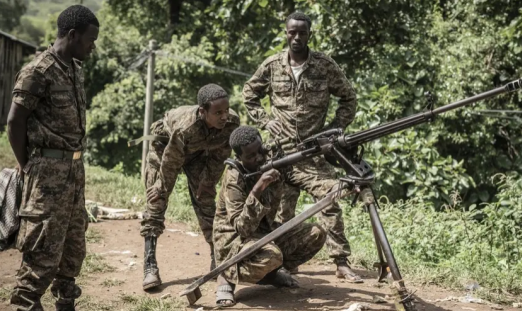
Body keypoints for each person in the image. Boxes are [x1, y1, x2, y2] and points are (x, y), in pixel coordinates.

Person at [242, 12, 362, 283]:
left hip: (312, 154)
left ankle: (341, 262)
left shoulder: (323, 65)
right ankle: (285, 264)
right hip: (280, 154)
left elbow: (349, 98)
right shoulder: (272, 65)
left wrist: (333, 131)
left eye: (302, 33)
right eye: (291, 32)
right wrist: (265, 120)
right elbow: (249, 93)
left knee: (330, 198)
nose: (296, 37)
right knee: (281, 215)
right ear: (286, 33)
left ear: (310, 34)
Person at [6, 5, 99, 310]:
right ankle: (26, 302)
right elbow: (14, 121)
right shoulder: (38, 71)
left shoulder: (73, 68)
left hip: (74, 172)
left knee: (73, 248)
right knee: (42, 250)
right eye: (89, 39)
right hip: (46, 175)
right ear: (72, 35)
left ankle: (66, 302)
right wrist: (26, 164)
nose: (92, 46)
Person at [212, 125, 327, 307]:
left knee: (316, 233)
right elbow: (243, 228)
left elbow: (300, 178)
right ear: (239, 158)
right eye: (251, 156)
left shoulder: (270, 162)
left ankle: (270, 275)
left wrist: (330, 187)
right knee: (272, 256)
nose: (258, 158)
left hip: (265, 232)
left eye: (261, 151)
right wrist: (258, 188)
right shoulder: (234, 178)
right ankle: (227, 275)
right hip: (234, 241)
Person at [140, 83, 240, 290]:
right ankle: (150, 266)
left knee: (205, 199)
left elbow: (221, 153)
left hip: (197, 153)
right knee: (156, 200)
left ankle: (217, 257)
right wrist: (161, 186)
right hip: (165, 149)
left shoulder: (231, 123)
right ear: (203, 112)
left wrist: (208, 181)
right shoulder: (185, 127)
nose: (224, 116)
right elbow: (171, 160)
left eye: (226, 110)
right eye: (218, 112)